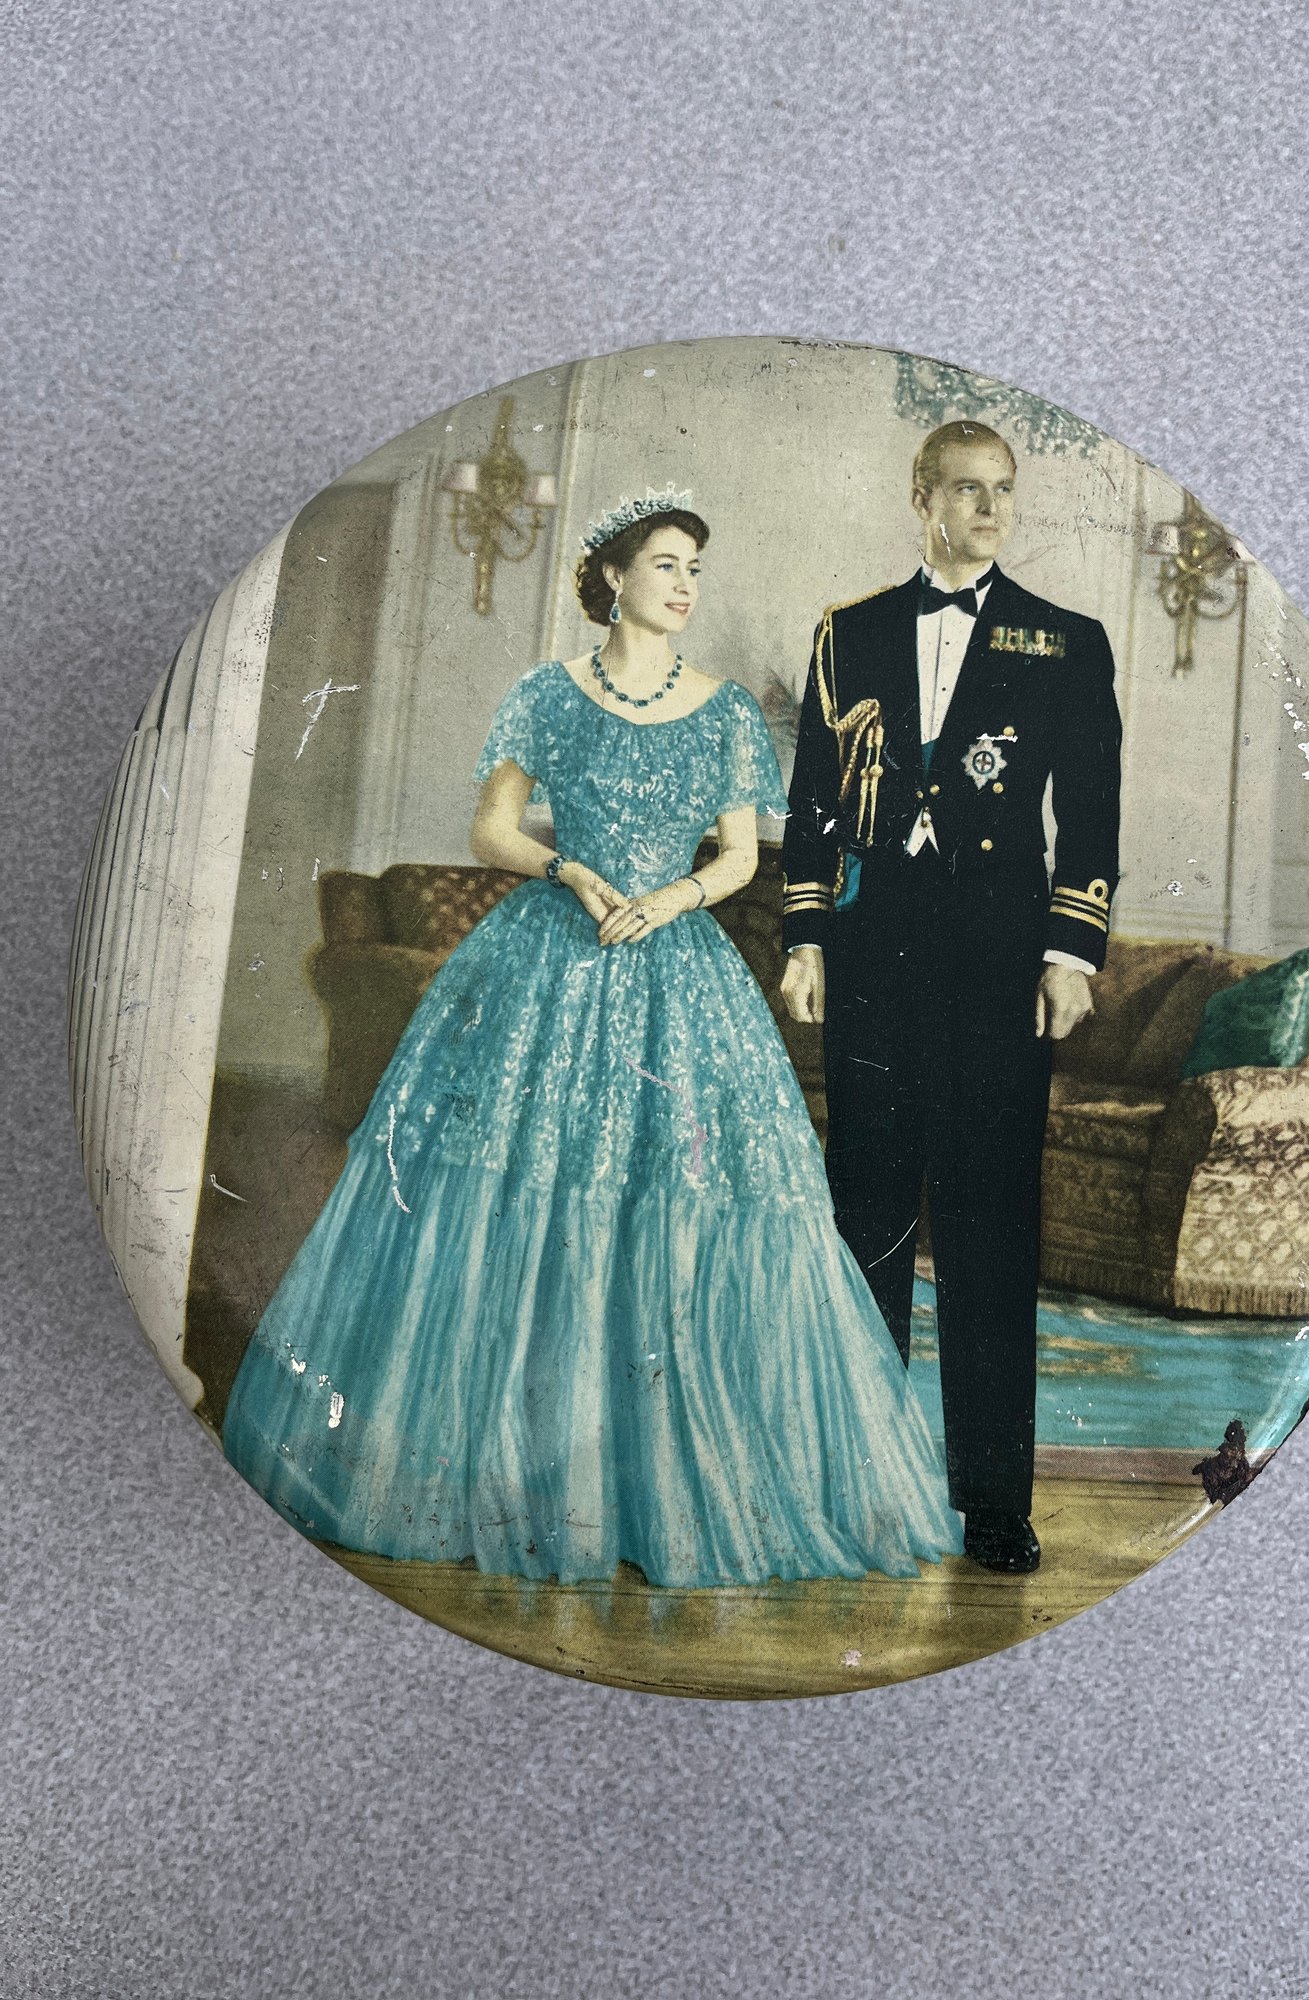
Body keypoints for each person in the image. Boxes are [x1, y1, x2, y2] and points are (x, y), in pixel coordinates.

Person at [220, 487, 962, 1588]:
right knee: (518, 1181)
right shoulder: (546, 693)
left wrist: (669, 900)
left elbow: (740, 856)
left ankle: (651, 1477)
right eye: (666, 564)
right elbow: (491, 828)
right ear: (614, 575)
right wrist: (568, 869)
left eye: (695, 569)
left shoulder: (724, 711)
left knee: (671, 1190)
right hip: (551, 950)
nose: (685, 585)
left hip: (675, 959)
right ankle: (509, 1464)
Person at [780, 421, 1122, 1574]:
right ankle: (858, 1488)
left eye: (1004, 491)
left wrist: (1070, 955)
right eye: (967, 490)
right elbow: (815, 799)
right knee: (866, 1223)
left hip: (998, 970)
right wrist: (806, 937)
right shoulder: (849, 632)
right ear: (920, 495)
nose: (989, 510)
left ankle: (994, 1505)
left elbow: (1093, 816)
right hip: (874, 961)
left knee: (988, 1234)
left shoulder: (1065, 641)